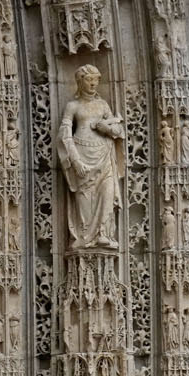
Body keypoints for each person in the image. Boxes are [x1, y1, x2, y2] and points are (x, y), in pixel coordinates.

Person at [57, 65, 125, 249]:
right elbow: (64, 135)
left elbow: (119, 130)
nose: (93, 83)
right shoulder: (73, 106)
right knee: (84, 197)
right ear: (80, 82)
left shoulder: (103, 105)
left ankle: (103, 233)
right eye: (89, 79)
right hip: (82, 155)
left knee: (107, 193)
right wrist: (76, 161)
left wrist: (108, 128)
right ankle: (85, 235)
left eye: (96, 79)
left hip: (104, 155)